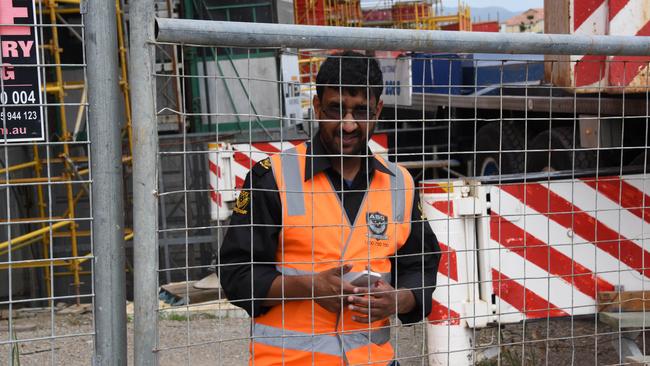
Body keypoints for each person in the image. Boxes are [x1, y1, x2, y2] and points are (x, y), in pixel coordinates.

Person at [219, 50, 441, 365]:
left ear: (377, 110)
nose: (348, 125)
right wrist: (307, 286)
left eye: (361, 111)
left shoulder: (399, 183)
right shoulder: (273, 177)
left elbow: (420, 265)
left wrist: (401, 300)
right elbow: (236, 274)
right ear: (317, 107)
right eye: (336, 109)